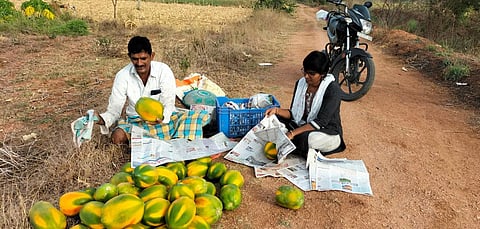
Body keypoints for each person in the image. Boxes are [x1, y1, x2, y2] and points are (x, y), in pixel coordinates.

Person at [94, 36, 176, 144]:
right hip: (135, 121)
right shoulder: (122, 76)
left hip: (162, 120)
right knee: (117, 137)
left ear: (152, 56)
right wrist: (100, 119)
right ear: (129, 57)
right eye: (135, 59)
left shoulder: (163, 71)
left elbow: (168, 102)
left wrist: (163, 118)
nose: (139, 63)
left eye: (143, 58)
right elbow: (115, 109)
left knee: (198, 120)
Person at [265, 50, 346, 158]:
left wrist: (292, 133)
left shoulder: (332, 90)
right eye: (305, 72)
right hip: (302, 125)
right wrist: (276, 111)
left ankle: (292, 143)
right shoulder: (300, 83)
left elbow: (321, 122)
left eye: (311, 74)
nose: (306, 76)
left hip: (326, 132)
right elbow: (294, 114)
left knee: (308, 139)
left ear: (322, 74)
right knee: (272, 119)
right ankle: (291, 143)